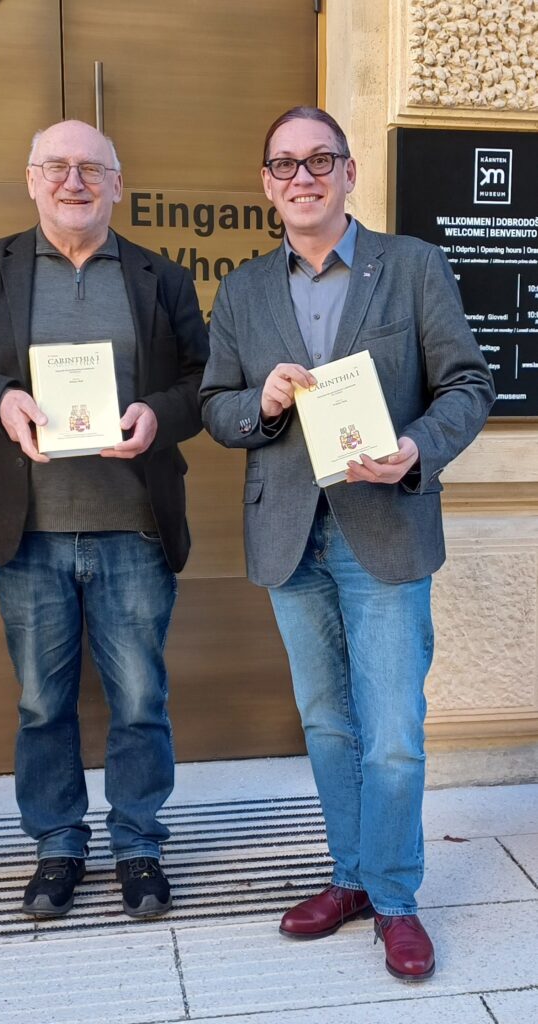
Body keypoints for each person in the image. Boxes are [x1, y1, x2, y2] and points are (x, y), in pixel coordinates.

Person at [200, 106, 494, 981]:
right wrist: (263, 403)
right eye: (284, 164)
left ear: (349, 173)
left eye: (319, 160)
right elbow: (216, 407)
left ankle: (397, 899)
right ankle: (353, 879)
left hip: (386, 530)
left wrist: (414, 450)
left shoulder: (411, 267)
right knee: (328, 726)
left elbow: (468, 385)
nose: (303, 177)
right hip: (292, 539)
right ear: (266, 184)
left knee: (393, 732)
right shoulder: (245, 289)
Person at [0, 120, 207, 919]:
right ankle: (58, 844)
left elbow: (206, 381)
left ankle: (139, 843)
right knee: (43, 702)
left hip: (133, 524)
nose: (74, 182)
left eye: (91, 169)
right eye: (58, 167)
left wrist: (156, 414)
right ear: (31, 178)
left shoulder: (158, 275)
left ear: (117, 183)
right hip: (28, 528)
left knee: (141, 698)